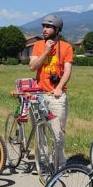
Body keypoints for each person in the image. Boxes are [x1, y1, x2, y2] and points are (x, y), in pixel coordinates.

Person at [29, 14, 73, 171]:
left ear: (57, 29)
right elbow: (32, 66)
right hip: (38, 95)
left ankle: (59, 166)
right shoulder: (38, 45)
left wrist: (59, 87)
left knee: (58, 133)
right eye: (43, 26)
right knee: (39, 132)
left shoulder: (67, 47)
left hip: (56, 96)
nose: (44, 30)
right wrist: (46, 51)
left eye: (48, 27)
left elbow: (68, 71)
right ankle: (41, 163)